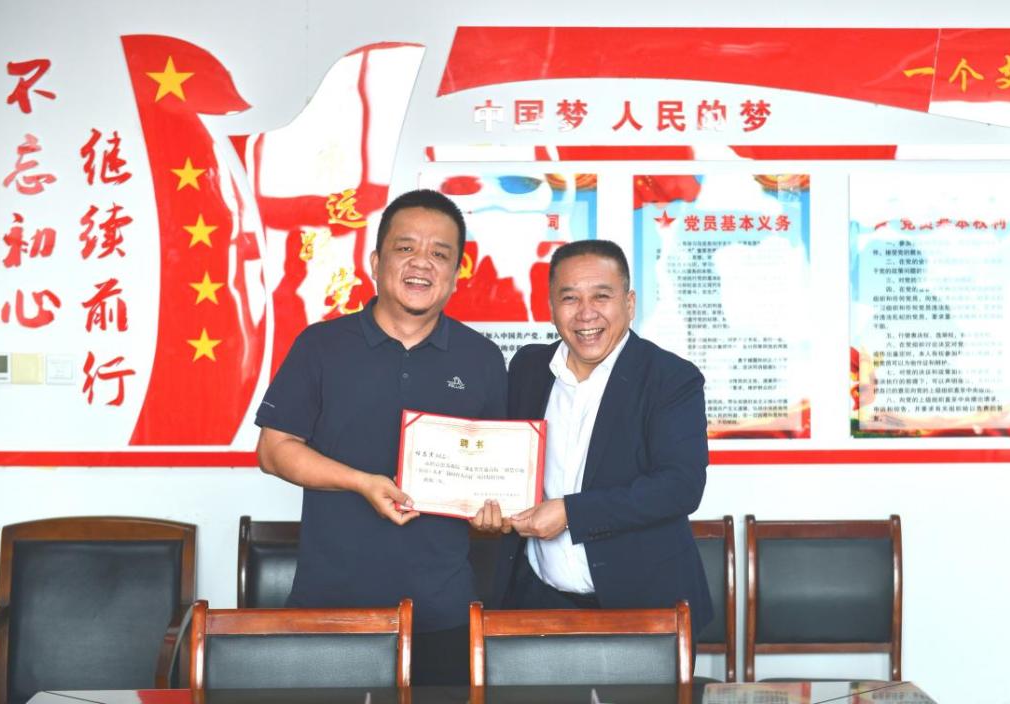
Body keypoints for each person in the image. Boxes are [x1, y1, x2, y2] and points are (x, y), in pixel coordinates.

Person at [255, 189, 507, 685]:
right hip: (331, 607)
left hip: (445, 613)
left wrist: (494, 510)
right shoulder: (321, 345)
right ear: (375, 262)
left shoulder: (481, 358)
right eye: (405, 247)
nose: (422, 263)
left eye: (440, 253)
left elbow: (495, 470)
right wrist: (362, 482)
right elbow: (273, 450)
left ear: (456, 273)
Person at [494, 239, 713, 665]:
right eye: (569, 298)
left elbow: (680, 486)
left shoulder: (670, 378)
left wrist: (570, 513)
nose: (586, 313)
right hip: (539, 602)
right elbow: (507, 459)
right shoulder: (528, 368)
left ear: (629, 304)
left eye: (601, 296)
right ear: (551, 307)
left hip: (644, 607)